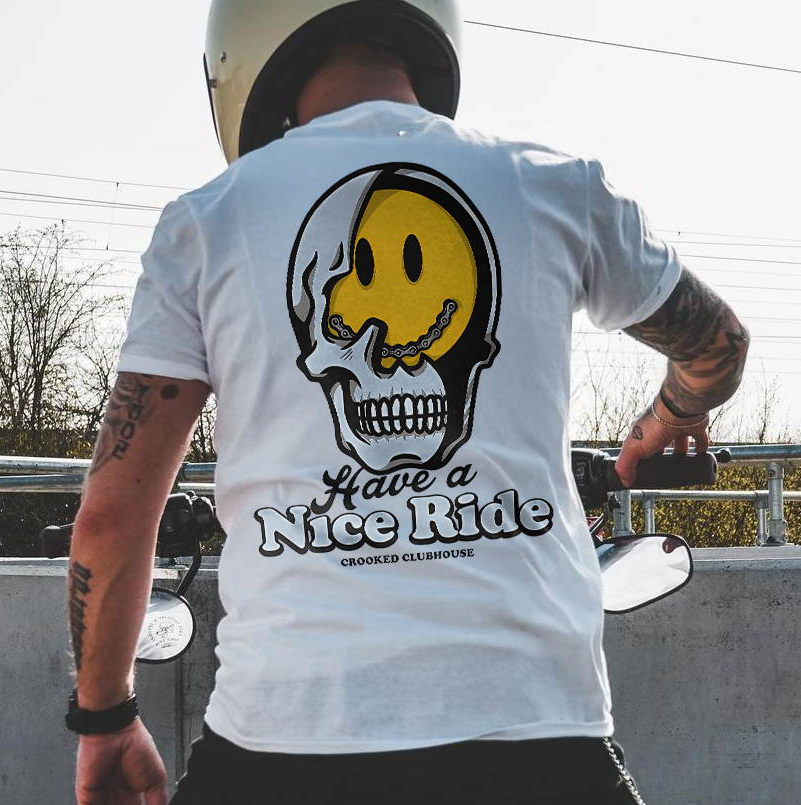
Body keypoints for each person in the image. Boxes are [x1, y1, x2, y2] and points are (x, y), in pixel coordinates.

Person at [65, 1, 750, 803]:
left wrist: (103, 718)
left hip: (283, 743)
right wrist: (667, 419)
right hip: (540, 739)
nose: (387, 355)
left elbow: (111, 513)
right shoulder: (553, 185)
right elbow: (719, 345)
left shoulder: (207, 223)